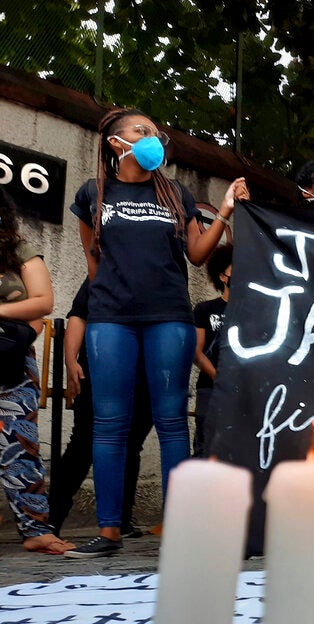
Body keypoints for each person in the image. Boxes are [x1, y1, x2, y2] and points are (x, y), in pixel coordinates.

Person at [65, 107, 248, 558]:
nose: (153, 138)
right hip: (111, 321)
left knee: (171, 424)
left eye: (156, 132)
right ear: (115, 142)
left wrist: (223, 210)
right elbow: (94, 264)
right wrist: (107, 302)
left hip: (169, 317)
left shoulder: (176, 194)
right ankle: (108, 532)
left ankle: (182, 530)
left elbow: (199, 255)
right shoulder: (93, 193)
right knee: (108, 426)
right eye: (142, 131)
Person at [0, 190, 75, 554]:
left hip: (10, 360)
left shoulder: (19, 252)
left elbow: (43, 302)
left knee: (21, 445)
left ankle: (35, 530)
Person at [47, 280, 152, 536]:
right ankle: (51, 517)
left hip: (143, 375)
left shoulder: (162, 267)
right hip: (98, 370)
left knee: (131, 445)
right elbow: (78, 316)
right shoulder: (103, 272)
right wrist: (71, 361)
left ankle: (121, 521)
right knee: (83, 443)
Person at [192, 244, 232, 457]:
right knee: (205, 448)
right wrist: (218, 378)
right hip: (210, 389)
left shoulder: (254, 311)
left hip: (241, 392)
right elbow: (196, 352)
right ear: (222, 276)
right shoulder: (205, 310)